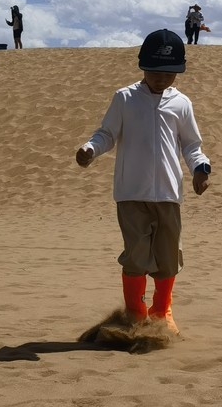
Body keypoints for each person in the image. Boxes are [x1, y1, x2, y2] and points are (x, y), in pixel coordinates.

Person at [75, 28, 211, 332]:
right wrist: (90, 149)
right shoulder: (125, 98)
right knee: (136, 256)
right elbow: (107, 134)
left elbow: (191, 145)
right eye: (154, 70)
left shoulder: (181, 103)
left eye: (169, 72)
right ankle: (135, 312)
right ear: (142, 66)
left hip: (168, 194)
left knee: (167, 258)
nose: (161, 78)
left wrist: (201, 168)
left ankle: (162, 312)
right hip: (131, 193)